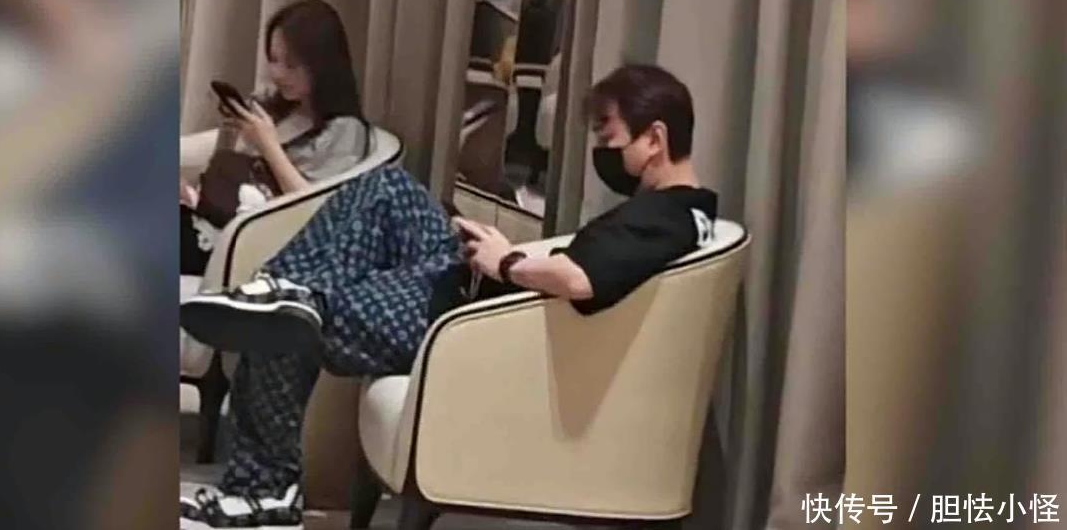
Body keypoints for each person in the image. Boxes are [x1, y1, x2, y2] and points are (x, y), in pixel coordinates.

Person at [178, 64, 718, 529]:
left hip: (462, 322)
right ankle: (285, 290)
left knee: (285, 320)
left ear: (655, 138)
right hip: (468, 287)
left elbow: (579, 280)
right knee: (384, 190)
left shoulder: (670, 217)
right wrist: (498, 251)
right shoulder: (670, 212)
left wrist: (507, 261)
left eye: (609, 137)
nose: (602, 151)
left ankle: (266, 487)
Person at [180, 0, 371, 276]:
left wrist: (268, 145)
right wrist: (230, 131)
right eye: (273, 59)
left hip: (249, 246)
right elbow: (225, 175)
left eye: (291, 64)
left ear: (322, 65)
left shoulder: (345, 130)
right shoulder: (280, 107)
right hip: (216, 220)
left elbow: (315, 211)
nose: (278, 73)